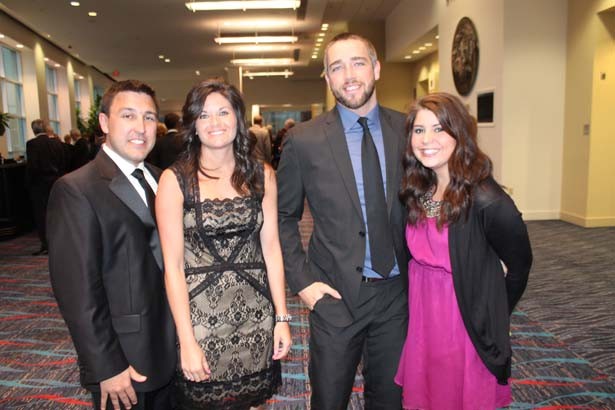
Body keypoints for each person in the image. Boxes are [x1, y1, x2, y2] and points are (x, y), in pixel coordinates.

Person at [277, 32, 409, 409]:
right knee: (329, 399)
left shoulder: (409, 130)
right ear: (327, 78)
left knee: (390, 400)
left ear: (376, 68)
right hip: (334, 295)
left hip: (397, 296)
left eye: (358, 63)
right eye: (337, 67)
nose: (348, 75)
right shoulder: (304, 140)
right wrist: (303, 283)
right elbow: (283, 217)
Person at [156, 79, 291, 409]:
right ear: (193, 124)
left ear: (238, 118)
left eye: (223, 112)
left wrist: (282, 318)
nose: (214, 122)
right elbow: (173, 267)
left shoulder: (262, 175)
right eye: (203, 115)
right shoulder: (174, 181)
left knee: (250, 401)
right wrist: (187, 340)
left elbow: (272, 249)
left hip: (256, 313)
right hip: (201, 320)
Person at [395, 92, 533, 409]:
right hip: (423, 312)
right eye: (419, 130)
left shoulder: (486, 198)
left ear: (459, 134)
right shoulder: (419, 188)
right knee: (428, 394)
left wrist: (493, 314)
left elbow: (520, 266)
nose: (426, 140)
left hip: (462, 319)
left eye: (438, 129)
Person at [47, 80, 176, 410]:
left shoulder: (164, 179)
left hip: (174, 350)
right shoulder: (77, 189)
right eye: (128, 115)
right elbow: (77, 291)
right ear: (105, 122)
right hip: (125, 360)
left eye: (149, 117)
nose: (141, 127)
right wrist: (106, 365)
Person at [26, 119, 66, 255]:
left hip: (40, 185)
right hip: (56, 181)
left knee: (41, 214)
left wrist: (29, 183)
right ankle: (59, 242)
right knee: (57, 213)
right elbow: (63, 161)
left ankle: (46, 243)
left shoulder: (32, 144)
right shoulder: (55, 143)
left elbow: (33, 166)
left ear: (33, 130)